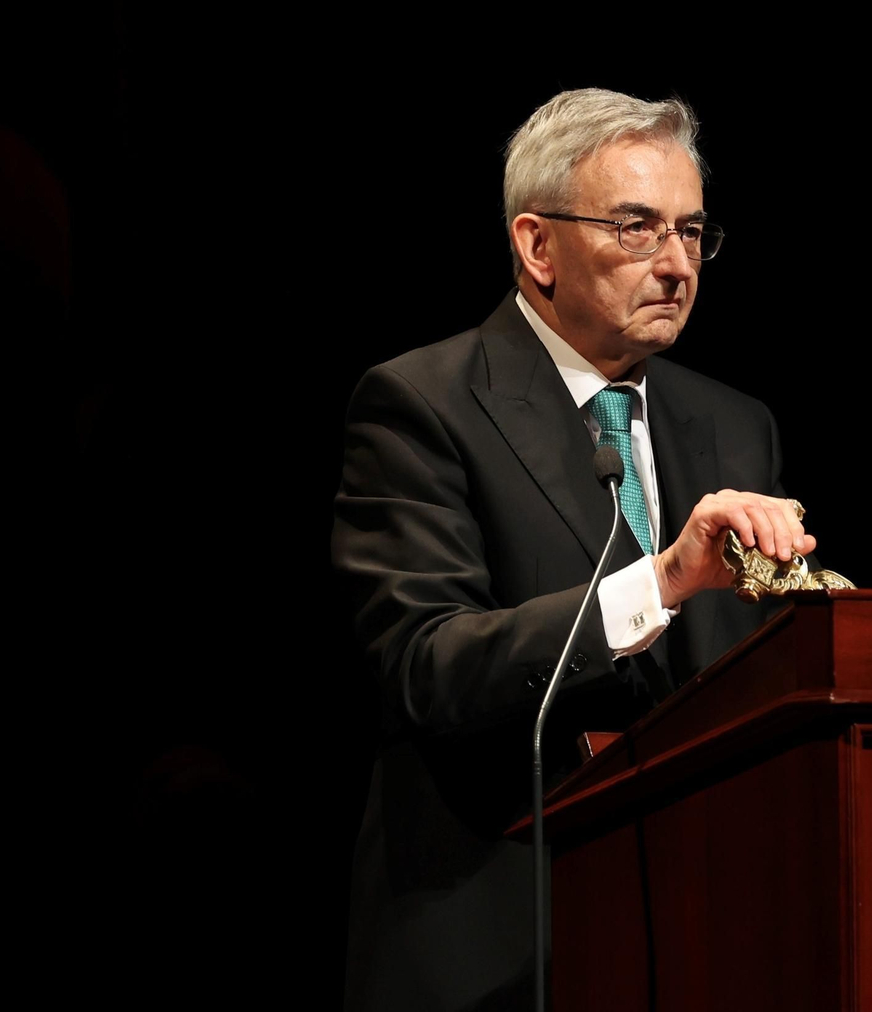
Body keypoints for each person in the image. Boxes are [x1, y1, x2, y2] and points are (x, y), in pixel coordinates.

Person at [331, 88, 818, 1010]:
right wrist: (659, 583)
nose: (675, 265)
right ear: (537, 245)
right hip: (503, 948)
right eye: (637, 228)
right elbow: (427, 664)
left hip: (702, 934)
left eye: (691, 232)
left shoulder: (734, 424)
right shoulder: (421, 406)